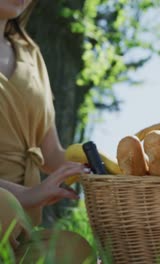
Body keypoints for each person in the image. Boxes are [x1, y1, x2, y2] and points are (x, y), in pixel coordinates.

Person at [0, 1, 94, 262]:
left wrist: (98, 166)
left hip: (23, 226)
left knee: (75, 250)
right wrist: (27, 196)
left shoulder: (31, 53)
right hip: (7, 209)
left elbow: (50, 153)